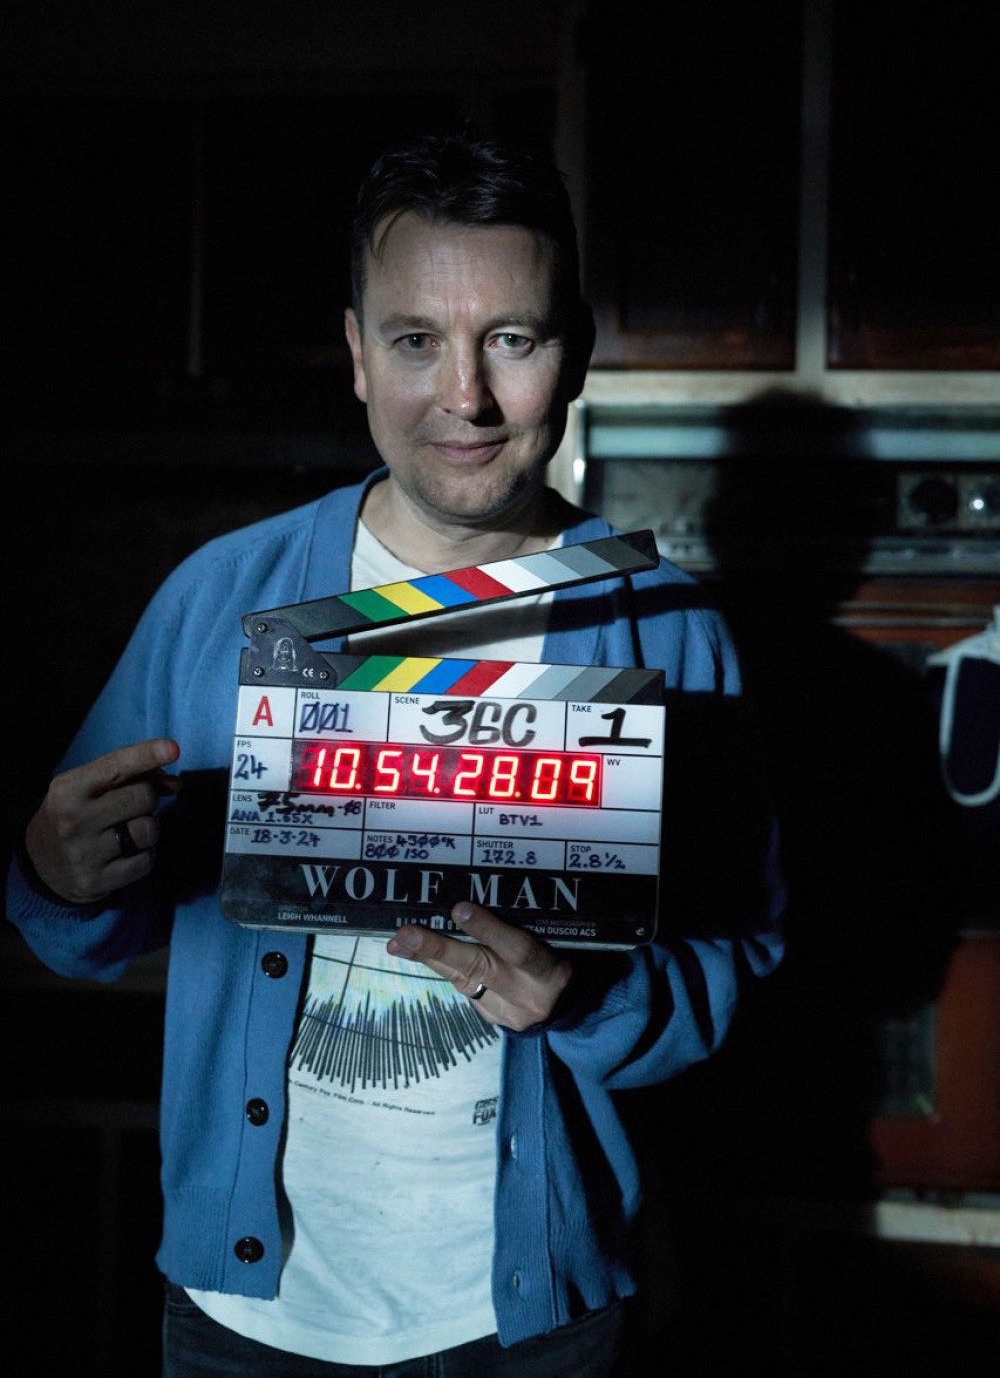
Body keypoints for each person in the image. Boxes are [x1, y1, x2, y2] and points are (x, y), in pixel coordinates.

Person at [7, 128, 784, 1377]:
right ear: (359, 352)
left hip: (532, 1323)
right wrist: (56, 874)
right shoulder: (219, 600)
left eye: (511, 339)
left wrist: (585, 996)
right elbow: (69, 928)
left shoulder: (669, 630)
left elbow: (736, 965)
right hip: (245, 1320)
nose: (464, 397)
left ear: (574, 349)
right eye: (416, 339)